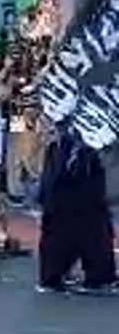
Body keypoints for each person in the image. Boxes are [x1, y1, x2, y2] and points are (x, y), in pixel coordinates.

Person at [37, 120, 116, 293]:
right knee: (66, 228)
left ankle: (97, 276)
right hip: (68, 181)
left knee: (94, 228)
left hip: (83, 179)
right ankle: (55, 276)